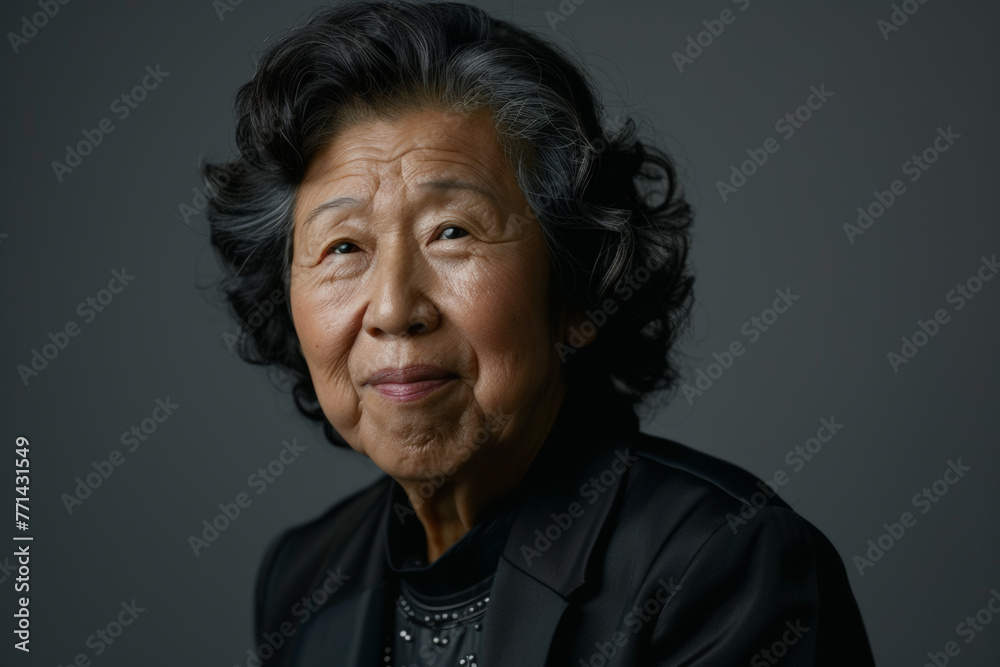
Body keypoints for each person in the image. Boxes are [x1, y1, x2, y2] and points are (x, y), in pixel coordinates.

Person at [202, 1, 876, 664]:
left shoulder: (724, 566)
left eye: (452, 232)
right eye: (343, 246)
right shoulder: (304, 577)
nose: (392, 307)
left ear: (576, 290)